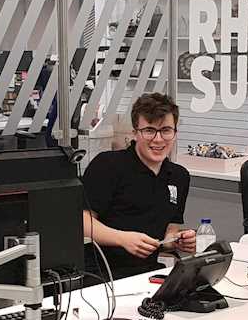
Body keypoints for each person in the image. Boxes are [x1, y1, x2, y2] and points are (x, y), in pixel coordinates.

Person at [81, 93, 196, 280]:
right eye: (149, 130)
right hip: (103, 275)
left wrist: (177, 241)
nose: (158, 139)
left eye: (166, 130)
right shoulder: (108, 166)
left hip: (148, 274)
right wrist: (123, 239)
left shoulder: (179, 176)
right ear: (135, 132)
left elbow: (170, 229)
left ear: (175, 132)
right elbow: (83, 222)